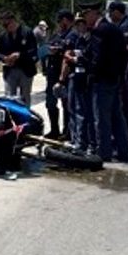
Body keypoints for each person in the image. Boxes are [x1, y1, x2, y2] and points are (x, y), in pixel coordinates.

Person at [83, 1, 128, 162]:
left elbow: (97, 58)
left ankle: (103, 153)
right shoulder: (114, 29)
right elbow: (124, 54)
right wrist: (119, 74)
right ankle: (124, 152)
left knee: (101, 119)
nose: (85, 19)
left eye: (85, 15)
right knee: (117, 117)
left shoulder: (99, 30)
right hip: (114, 79)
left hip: (102, 80)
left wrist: (92, 73)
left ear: (93, 13)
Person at [57, 14, 95, 154]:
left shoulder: (90, 39)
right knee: (72, 109)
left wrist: (75, 58)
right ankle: (75, 140)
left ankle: (83, 143)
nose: (80, 26)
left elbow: (86, 58)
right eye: (78, 24)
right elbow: (67, 58)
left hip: (85, 79)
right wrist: (62, 79)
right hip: (75, 77)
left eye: (82, 23)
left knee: (82, 112)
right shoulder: (78, 39)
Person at [109, 1, 128, 149]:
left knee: (127, 105)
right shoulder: (121, 25)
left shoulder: (125, 26)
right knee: (122, 105)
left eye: (110, 12)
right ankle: (124, 137)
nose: (109, 15)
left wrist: (124, 73)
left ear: (117, 12)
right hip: (124, 70)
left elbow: (127, 51)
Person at [0, 11, 38, 106]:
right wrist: (5, 58)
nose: (6, 27)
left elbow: (33, 51)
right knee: (9, 98)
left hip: (25, 70)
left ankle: (26, 119)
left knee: (25, 98)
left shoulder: (27, 32)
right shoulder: (3, 36)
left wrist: (19, 55)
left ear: (13, 21)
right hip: (10, 70)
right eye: (4, 25)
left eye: (7, 24)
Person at [44, 10, 74, 140]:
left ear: (66, 20)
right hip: (52, 72)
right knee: (50, 102)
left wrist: (59, 50)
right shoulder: (56, 35)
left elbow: (69, 51)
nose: (60, 23)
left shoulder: (72, 34)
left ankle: (67, 131)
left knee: (66, 103)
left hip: (65, 73)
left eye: (61, 20)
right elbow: (48, 46)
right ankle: (54, 130)